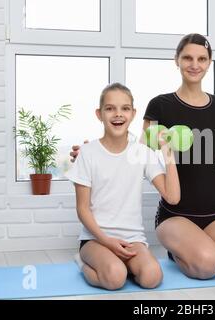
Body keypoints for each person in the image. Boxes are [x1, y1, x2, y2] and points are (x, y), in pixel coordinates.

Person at [71, 33, 215, 280]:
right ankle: (179, 253)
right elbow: (135, 153)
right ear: (176, 60)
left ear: (209, 63)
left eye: (202, 59)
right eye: (187, 58)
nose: (194, 64)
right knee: (207, 267)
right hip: (176, 215)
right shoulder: (160, 105)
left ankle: (206, 246)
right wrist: (94, 150)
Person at [66, 83, 180, 290]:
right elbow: (82, 209)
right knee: (115, 278)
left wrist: (168, 151)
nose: (118, 114)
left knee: (152, 277)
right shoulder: (88, 153)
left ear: (133, 113)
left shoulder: (142, 153)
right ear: (99, 114)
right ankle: (83, 263)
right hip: (96, 239)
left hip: (133, 239)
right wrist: (107, 241)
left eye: (125, 108)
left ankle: (124, 266)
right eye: (110, 108)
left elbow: (172, 197)